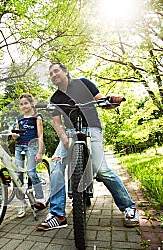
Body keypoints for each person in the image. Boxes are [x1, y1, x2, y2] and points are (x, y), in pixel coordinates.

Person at [36, 62, 139, 231]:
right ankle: (58, 215)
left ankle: (129, 208)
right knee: (55, 165)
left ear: (65, 71)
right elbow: (57, 123)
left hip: (91, 128)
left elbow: (103, 103)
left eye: (56, 71)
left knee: (102, 170)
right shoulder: (55, 99)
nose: (54, 75)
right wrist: (64, 139)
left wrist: (113, 101)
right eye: (51, 73)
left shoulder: (84, 83)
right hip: (69, 133)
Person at [12, 94, 46, 218]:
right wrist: (14, 135)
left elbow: (40, 135)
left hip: (32, 147)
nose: (23, 106)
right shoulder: (19, 119)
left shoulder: (37, 117)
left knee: (31, 173)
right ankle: (21, 202)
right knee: (17, 175)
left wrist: (40, 152)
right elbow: (16, 133)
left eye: (26, 103)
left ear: (32, 104)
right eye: (21, 104)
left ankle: (40, 197)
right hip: (19, 146)